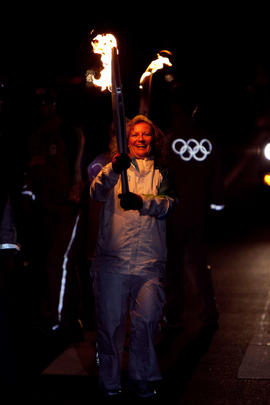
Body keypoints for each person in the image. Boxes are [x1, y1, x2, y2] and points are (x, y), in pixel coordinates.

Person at [89, 114, 176, 401]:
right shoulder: (111, 167)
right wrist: (114, 169)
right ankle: (109, 382)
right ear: (127, 139)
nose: (141, 139)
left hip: (149, 263)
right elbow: (97, 192)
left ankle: (143, 378)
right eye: (135, 134)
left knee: (147, 323)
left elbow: (168, 204)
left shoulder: (162, 171)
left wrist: (142, 203)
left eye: (146, 134)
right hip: (112, 262)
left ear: (154, 139)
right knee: (110, 328)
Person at [164, 95, 225, 334]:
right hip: (197, 212)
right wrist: (216, 205)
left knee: (175, 265)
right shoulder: (207, 140)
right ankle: (208, 312)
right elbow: (216, 176)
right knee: (198, 264)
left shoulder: (168, 140)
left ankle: (175, 314)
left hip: (175, 213)